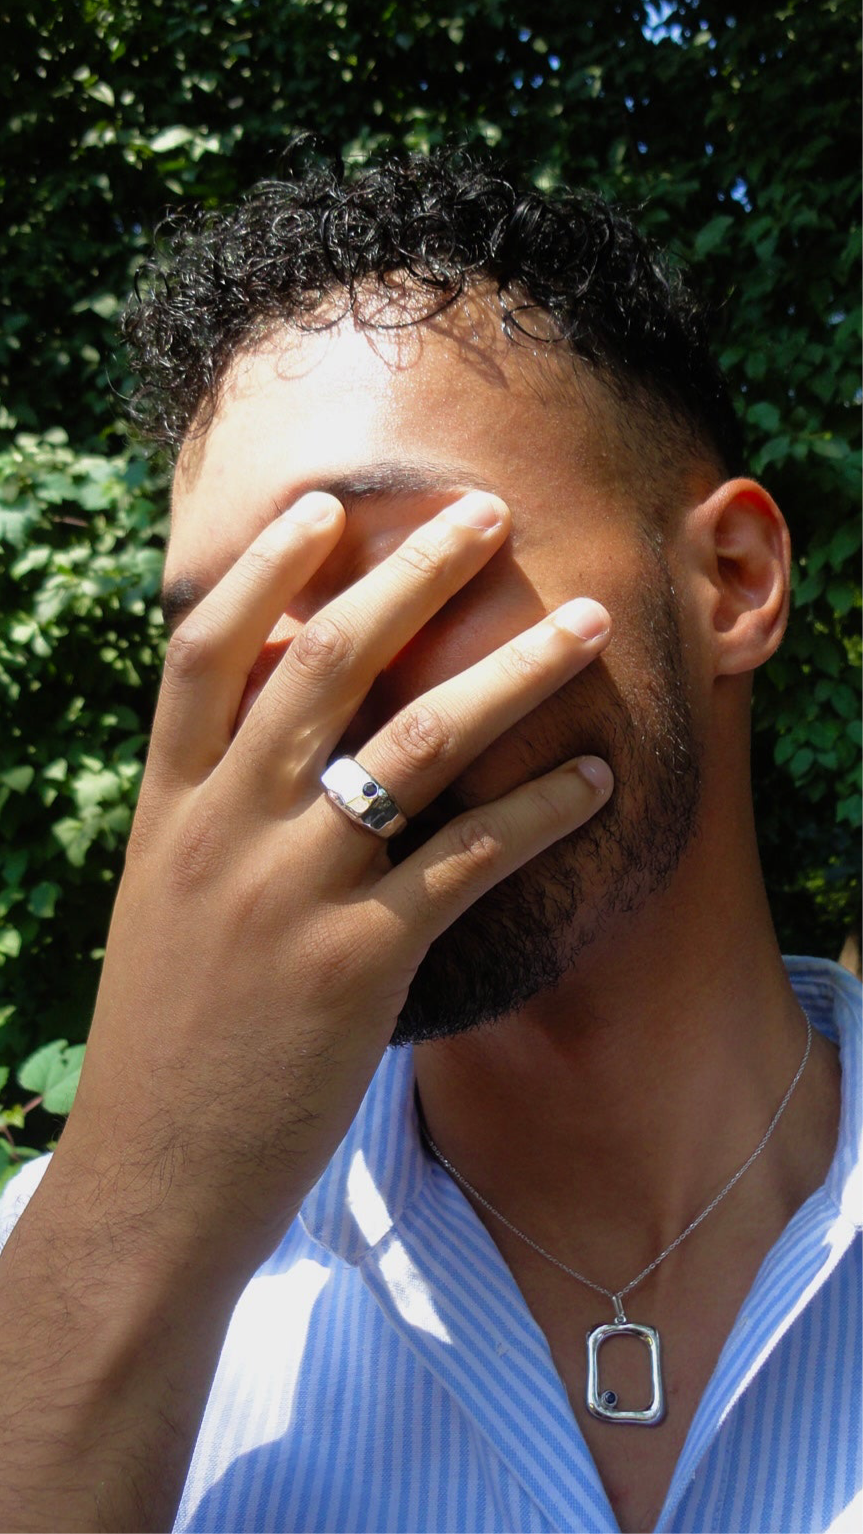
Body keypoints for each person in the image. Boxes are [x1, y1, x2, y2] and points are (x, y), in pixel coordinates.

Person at [1, 150, 860, 1534]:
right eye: (215, 633)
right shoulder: (45, 1268)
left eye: (388, 565)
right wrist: (128, 1235)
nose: (294, 691)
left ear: (731, 581)